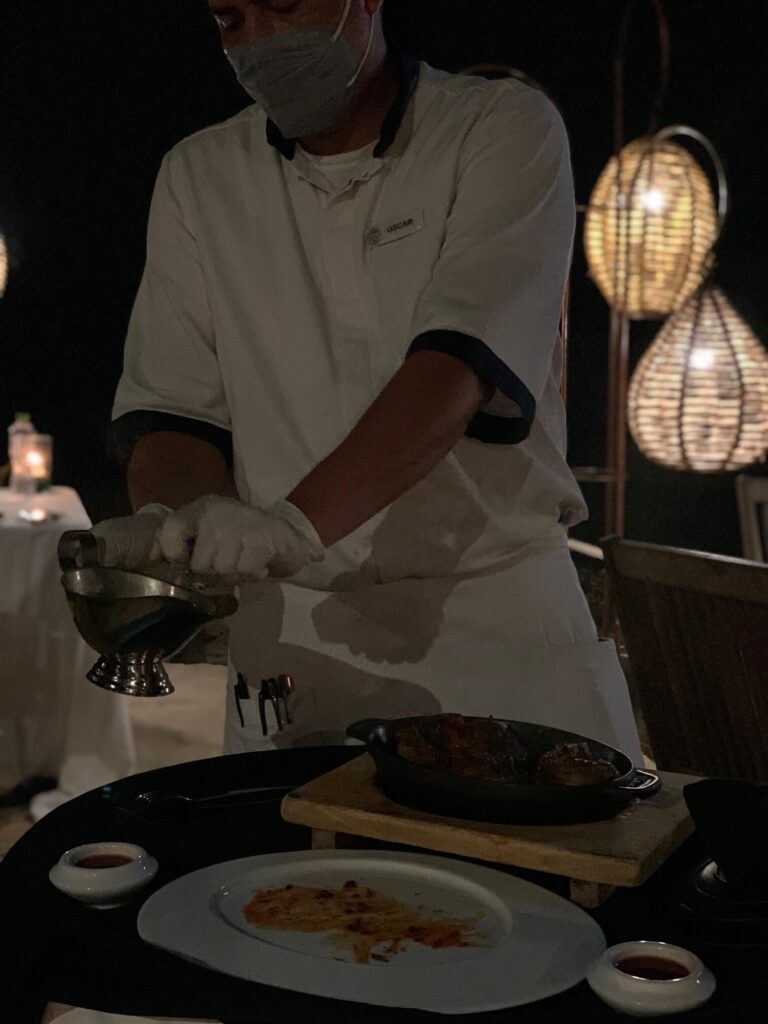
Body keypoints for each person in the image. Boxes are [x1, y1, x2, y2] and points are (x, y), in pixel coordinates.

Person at [95, 0, 643, 766]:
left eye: (283, 4)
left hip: (493, 625)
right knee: (293, 884)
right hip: (297, 646)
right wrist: (175, 518)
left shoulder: (498, 129)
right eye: (230, 20)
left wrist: (294, 525)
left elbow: (456, 368)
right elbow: (175, 412)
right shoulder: (199, 176)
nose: (260, 39)